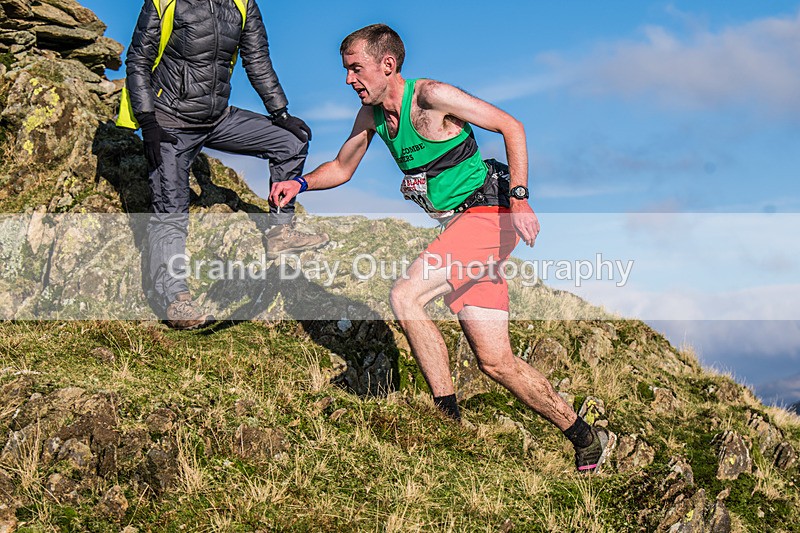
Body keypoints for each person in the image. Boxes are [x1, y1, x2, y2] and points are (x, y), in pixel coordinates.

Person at [270, 24, 617, 473]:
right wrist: (299, 184)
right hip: (464, 228)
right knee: (496, 361)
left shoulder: (431, 96)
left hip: (490, 215)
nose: (349, 80)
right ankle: (585, 437)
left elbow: (511, 126)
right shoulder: (372, 117)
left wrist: (521, 198)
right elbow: (341, 167)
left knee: (405, 295)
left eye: (356, 69)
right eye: (346, 71)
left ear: (387, 64)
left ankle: (446, 419)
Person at [122, 0, 328, 329]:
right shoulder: (164, 1)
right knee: (171, 210)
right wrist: (147, 119)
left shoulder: (242, 5)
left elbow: (257, 59)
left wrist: (280, 112)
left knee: (290, 142)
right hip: (170, 122)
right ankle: (175, 300)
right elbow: (138, 61)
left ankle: (280, 231)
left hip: (218, 119)